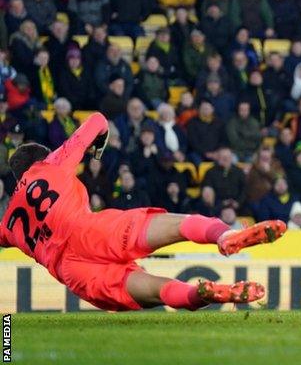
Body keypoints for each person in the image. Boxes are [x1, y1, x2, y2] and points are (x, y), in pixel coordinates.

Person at [0, 113, 286, 311]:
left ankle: (197, 293)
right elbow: (98, 120)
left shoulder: (9, 222)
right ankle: (225, 236)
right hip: (90, 231)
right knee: (178, 225)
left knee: (151, 290)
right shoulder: (50, 165)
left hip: (72, 271)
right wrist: (98, 148)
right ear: (41, 159)